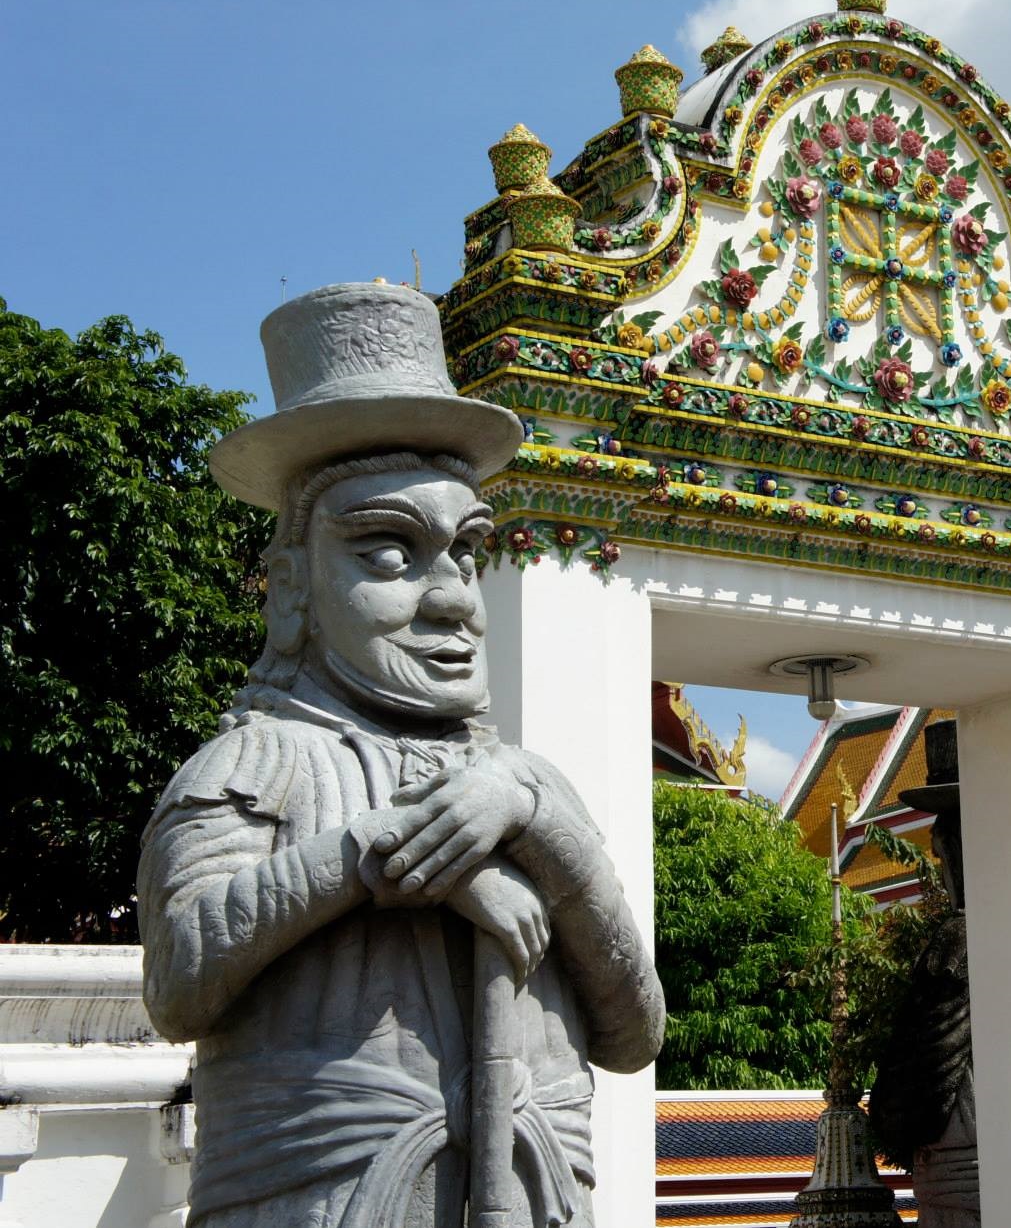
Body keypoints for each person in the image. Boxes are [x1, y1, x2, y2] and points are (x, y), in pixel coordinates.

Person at [137, 283, 665, 1226]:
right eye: (388, 556)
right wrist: (386, 855)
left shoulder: (532, 785)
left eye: (466, 553)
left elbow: (634, 1031)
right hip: (322, 1195)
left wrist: (539, 829)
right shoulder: (256, 765)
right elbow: (182, 978)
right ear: (294, 586)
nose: (456, 599)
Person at [867, 719, 978, 1226]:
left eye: (943, 852)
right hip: (957, 1145)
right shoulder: (963, 938)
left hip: (965, 1147)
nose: (941, 864)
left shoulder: (962, 941)